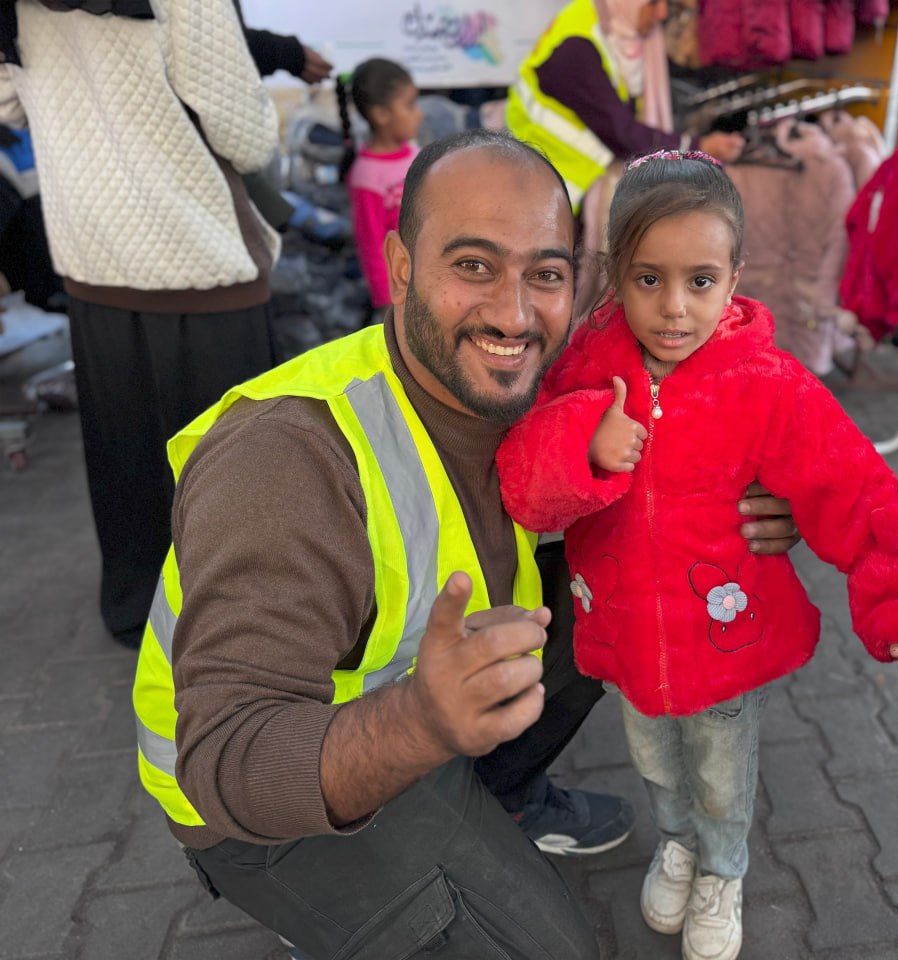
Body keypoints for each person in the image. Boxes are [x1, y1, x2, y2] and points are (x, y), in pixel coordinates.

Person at [130, 129, 803, 959]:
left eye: (546, 275)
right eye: (475, 265)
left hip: (425, 708)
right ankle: (351, 892)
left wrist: (763, 506)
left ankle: (500, 799)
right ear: (402, 266)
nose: (515, 314)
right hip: (265, 812)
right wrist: (420, 723)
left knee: (626, 588)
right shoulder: (289, 457)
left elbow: (682, 479)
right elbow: (228, 758)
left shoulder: (521, 386)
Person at [497, 151, 898, 960]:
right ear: (614, 271)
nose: (674, 309)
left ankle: (722, 868)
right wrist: (588, 444)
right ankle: (677, 844)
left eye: (701, 281)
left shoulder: (768, 384)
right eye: (648, 280)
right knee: (655, 762)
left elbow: (854, 491)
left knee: (720, 769)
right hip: (627, 640)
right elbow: (525, 483)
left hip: (725, 642)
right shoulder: (582, 372)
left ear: (736, 274)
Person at [0, 0, 280, 649]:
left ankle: (139, 610)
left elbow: (8, 104)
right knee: (231, 462)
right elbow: (242, 128)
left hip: (90, 254)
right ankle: (245, 624)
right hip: (194, 250)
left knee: (123, 453)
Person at [507, 0, 744, 215]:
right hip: (542, 185)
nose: (662, 14)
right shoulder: (577, 47)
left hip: (566, 184)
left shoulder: (613, 29)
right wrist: (697, 146)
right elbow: (621, 132)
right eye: (652, 3)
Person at [337, 57, 423, 313]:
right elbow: (371, 243)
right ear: (381, 114)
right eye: (410, 105)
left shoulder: (414, 153)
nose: (419, 113)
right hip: (402, 292)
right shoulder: (367, 176)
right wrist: (387, 299)